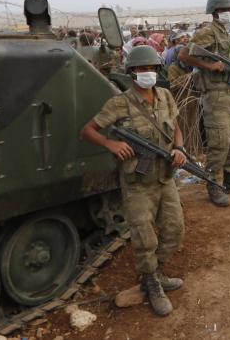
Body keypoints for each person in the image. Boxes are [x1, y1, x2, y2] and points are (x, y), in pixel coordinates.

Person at [79, 46, 187, 317]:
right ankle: (150, 282)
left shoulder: (165, 95)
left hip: (165, 177)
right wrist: (111, 144)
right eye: (141, 69)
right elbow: (88, 130)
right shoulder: (120, 103)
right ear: (131, 72)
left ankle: (156, 273)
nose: (147, 73)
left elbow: (176, 126)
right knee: (144, 238)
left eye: (151, 68)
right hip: (137, 183)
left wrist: (179, 148)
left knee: (175, 230)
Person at [180, 0, 230, 207]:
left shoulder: (225, 33)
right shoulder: (207, 32)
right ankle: (214, 184)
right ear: (214, 12)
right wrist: (209, 66)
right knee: (219, 142)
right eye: (223, 10)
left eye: (228, 10)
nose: (227, 14)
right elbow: (184, 55)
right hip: (215, 95)